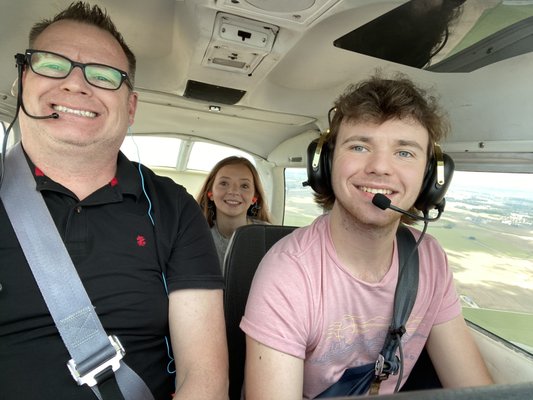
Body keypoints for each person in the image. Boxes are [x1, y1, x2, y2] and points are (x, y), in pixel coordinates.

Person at [0, 2, 228, 400]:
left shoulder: (174, 208)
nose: (75, 84)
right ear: (22, 82)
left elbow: (204, 378)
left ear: (131, 108)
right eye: (52, 65)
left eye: (104, 76)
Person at [240, 74, 494, 399]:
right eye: (359, 146)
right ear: (326, 164)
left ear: (431, 177)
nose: (379, 167)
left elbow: (475, 390)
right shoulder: (288, 272)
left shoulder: (428, 258)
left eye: (404, 153)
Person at [197, 156, 272, 270]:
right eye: (224, 183)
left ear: (254, 197)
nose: (234, 191)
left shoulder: (268, 237)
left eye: (244, 186)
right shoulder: (194, 236)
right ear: (210, 193)